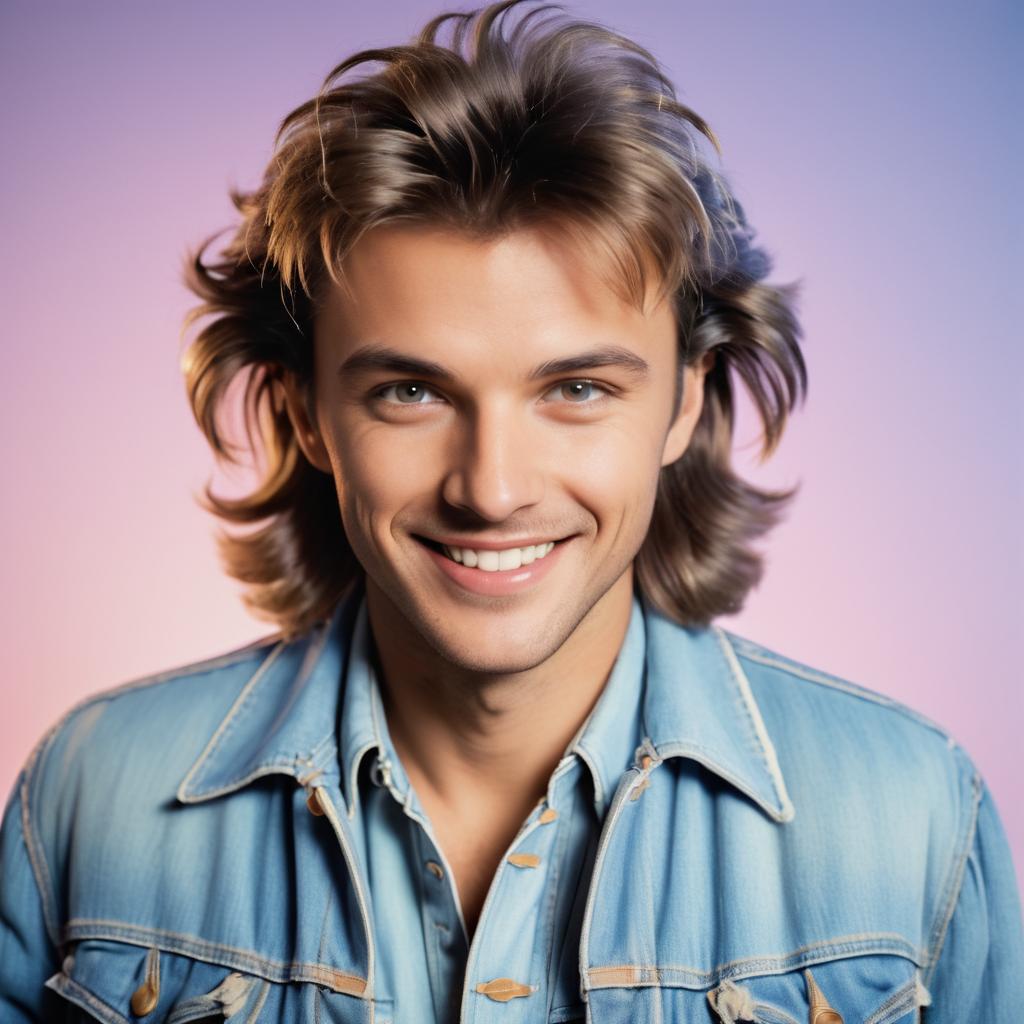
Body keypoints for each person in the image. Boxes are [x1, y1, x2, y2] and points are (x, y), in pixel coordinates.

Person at [2, 0, 1020, 1020]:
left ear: (687, 400)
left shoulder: (912, 819)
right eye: (411, 392)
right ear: (306, 414)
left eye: (575, 389)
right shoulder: (93, 801)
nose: (490, 489)